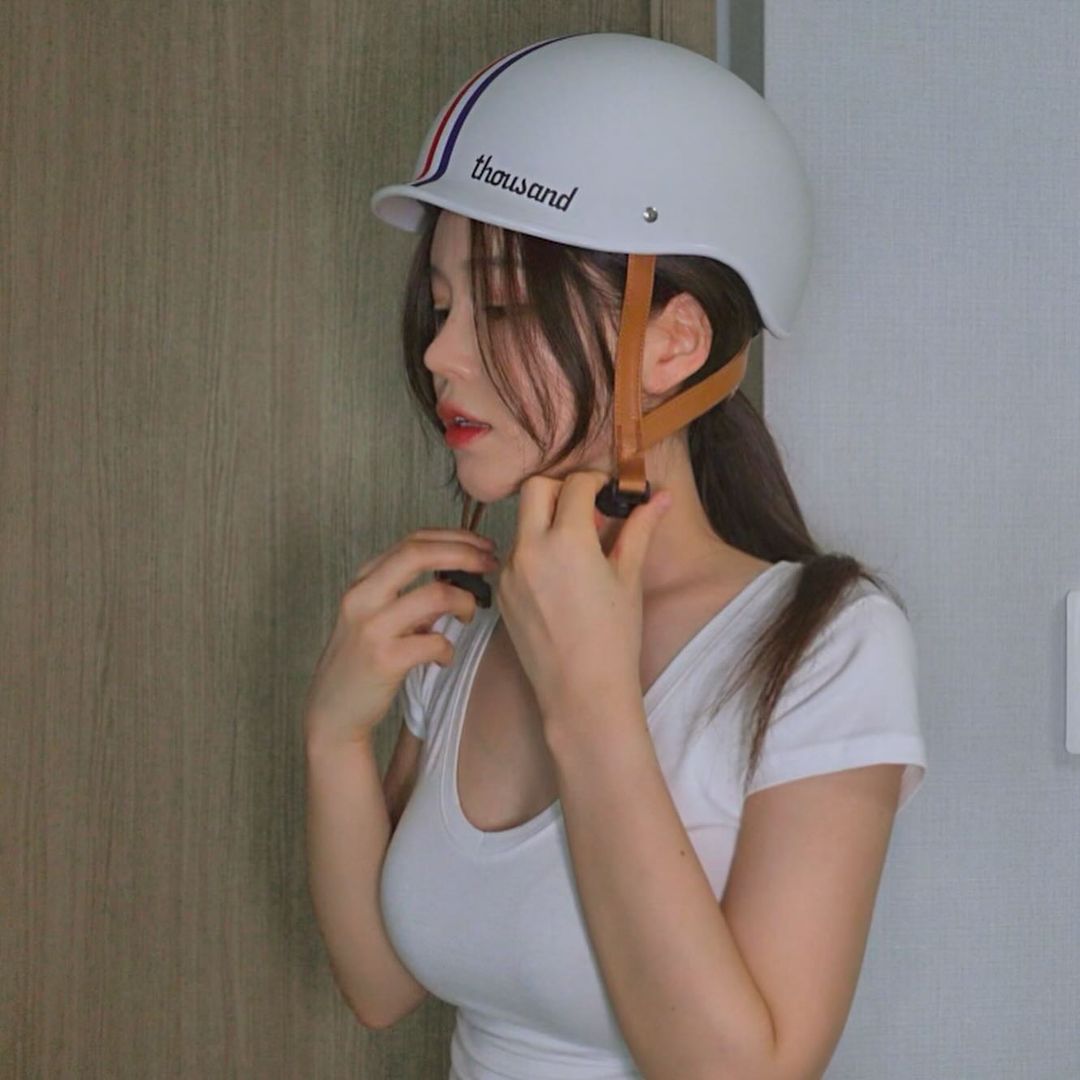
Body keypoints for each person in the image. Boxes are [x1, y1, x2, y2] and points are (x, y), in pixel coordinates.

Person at [304, 31, 928, 1080]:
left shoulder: (825, 648)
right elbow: (381, 986)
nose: (440, 353)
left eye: (503, 306)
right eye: (444, 306)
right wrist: (333, 737)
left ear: (674, 343)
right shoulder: (466, 619)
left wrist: (590, 698)